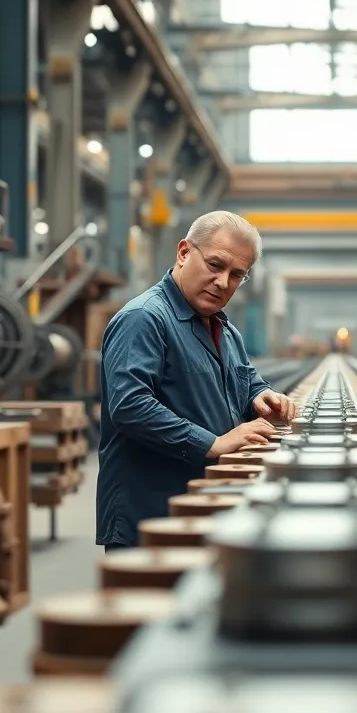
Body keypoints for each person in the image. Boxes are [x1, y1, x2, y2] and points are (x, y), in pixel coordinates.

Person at [96, 210, 296, 552]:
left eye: (237, 275)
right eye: (215, 265)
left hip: (206, 505)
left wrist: (262, 395)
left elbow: (245, 379)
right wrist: (211, 444)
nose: (223, 282)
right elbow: (130, 406)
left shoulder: (224, 330)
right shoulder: (144, 319)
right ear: (184, 252)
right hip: (150, 514)